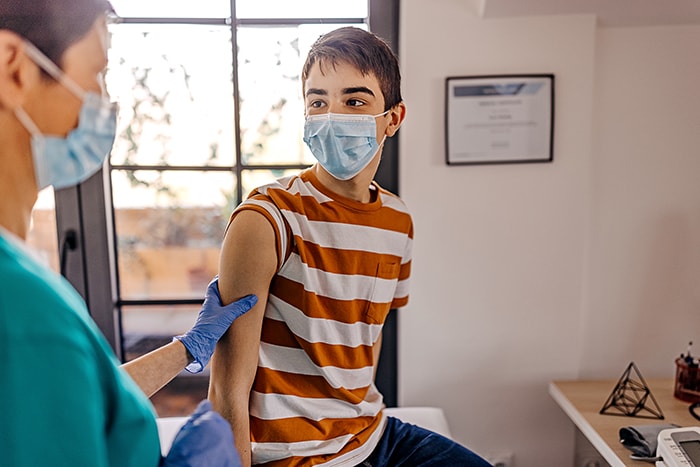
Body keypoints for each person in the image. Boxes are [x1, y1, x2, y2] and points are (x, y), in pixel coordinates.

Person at [209, 26, 492, 466]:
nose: (332, 116)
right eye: (318, 102)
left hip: (373, 435)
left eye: (355, 101)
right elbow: (227, 386)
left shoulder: (398, 220)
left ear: (393, 119)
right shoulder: (265, 218)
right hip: (293, 457)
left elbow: (368, 339)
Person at [0, 1, 257, 465]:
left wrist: (189, 348)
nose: (103, 102)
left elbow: (79, 399)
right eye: (97, 74)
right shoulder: (20, 309)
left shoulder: (19, 281)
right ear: (14, 69)